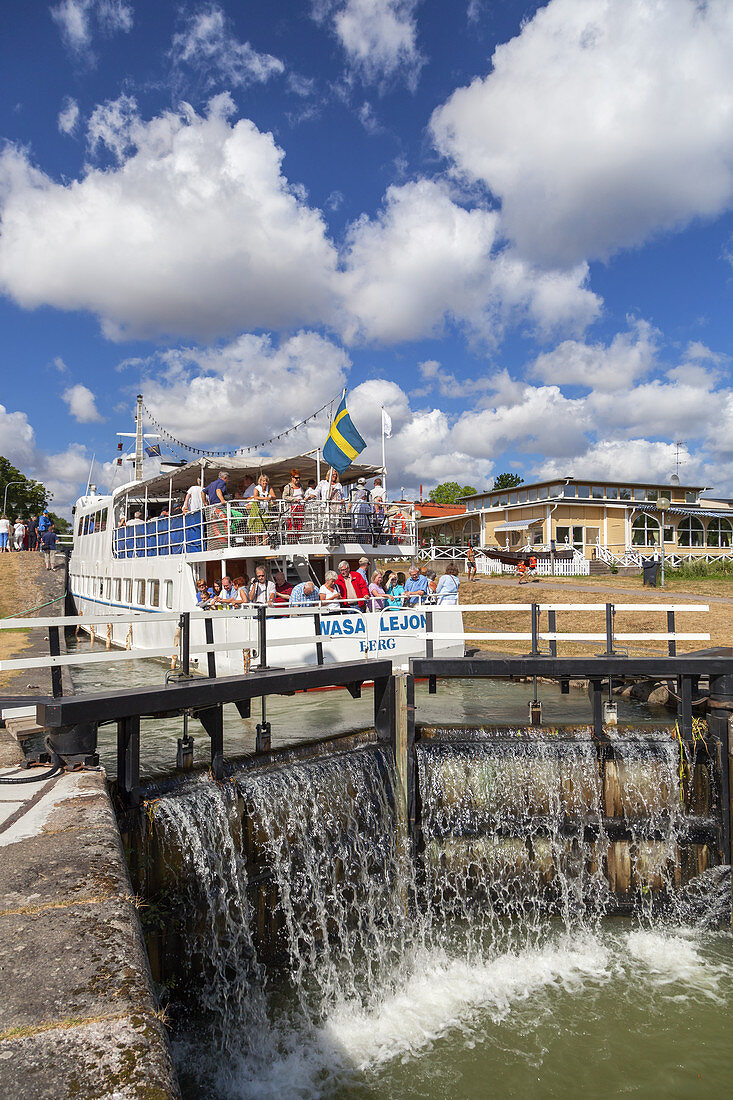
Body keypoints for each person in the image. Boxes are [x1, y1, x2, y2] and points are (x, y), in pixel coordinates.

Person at [282, 469, 305, 538]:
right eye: (296, 478)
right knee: (291, 525)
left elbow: (303, 495)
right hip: (292, 508)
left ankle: (297, 539)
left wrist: (305, 499)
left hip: (301, 508)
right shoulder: (288, 487)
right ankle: (291, 540)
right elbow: (284, 496)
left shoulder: (300, 486)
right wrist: (294, 499)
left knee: (300, 525)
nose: (298, 479)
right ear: (292, 477)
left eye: (299, 478)